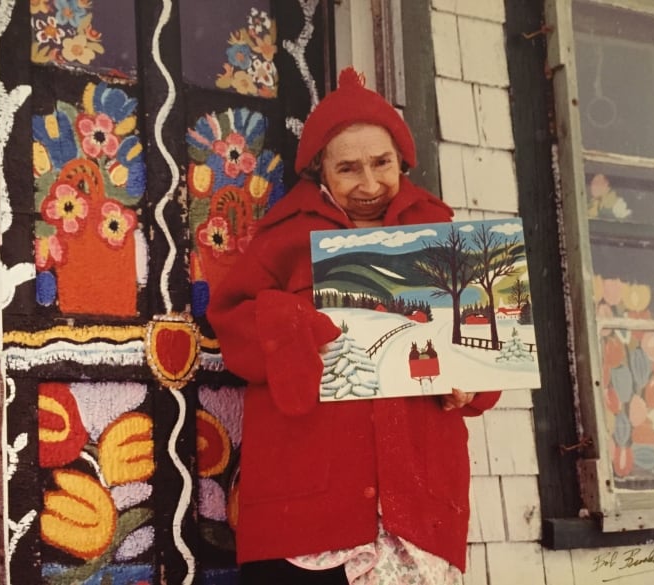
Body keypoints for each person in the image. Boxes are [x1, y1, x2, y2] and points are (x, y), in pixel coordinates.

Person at [206, 67, 501, 585]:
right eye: (348, 169)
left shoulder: (442, 232)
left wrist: (471, 385)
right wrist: (289, 324)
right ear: (320, 170)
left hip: (415, 501)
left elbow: (487, 351)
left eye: (381, 163)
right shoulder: (285, 237)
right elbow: (232, 323)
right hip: (310, 502)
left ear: (402, 160)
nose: (369, 184)